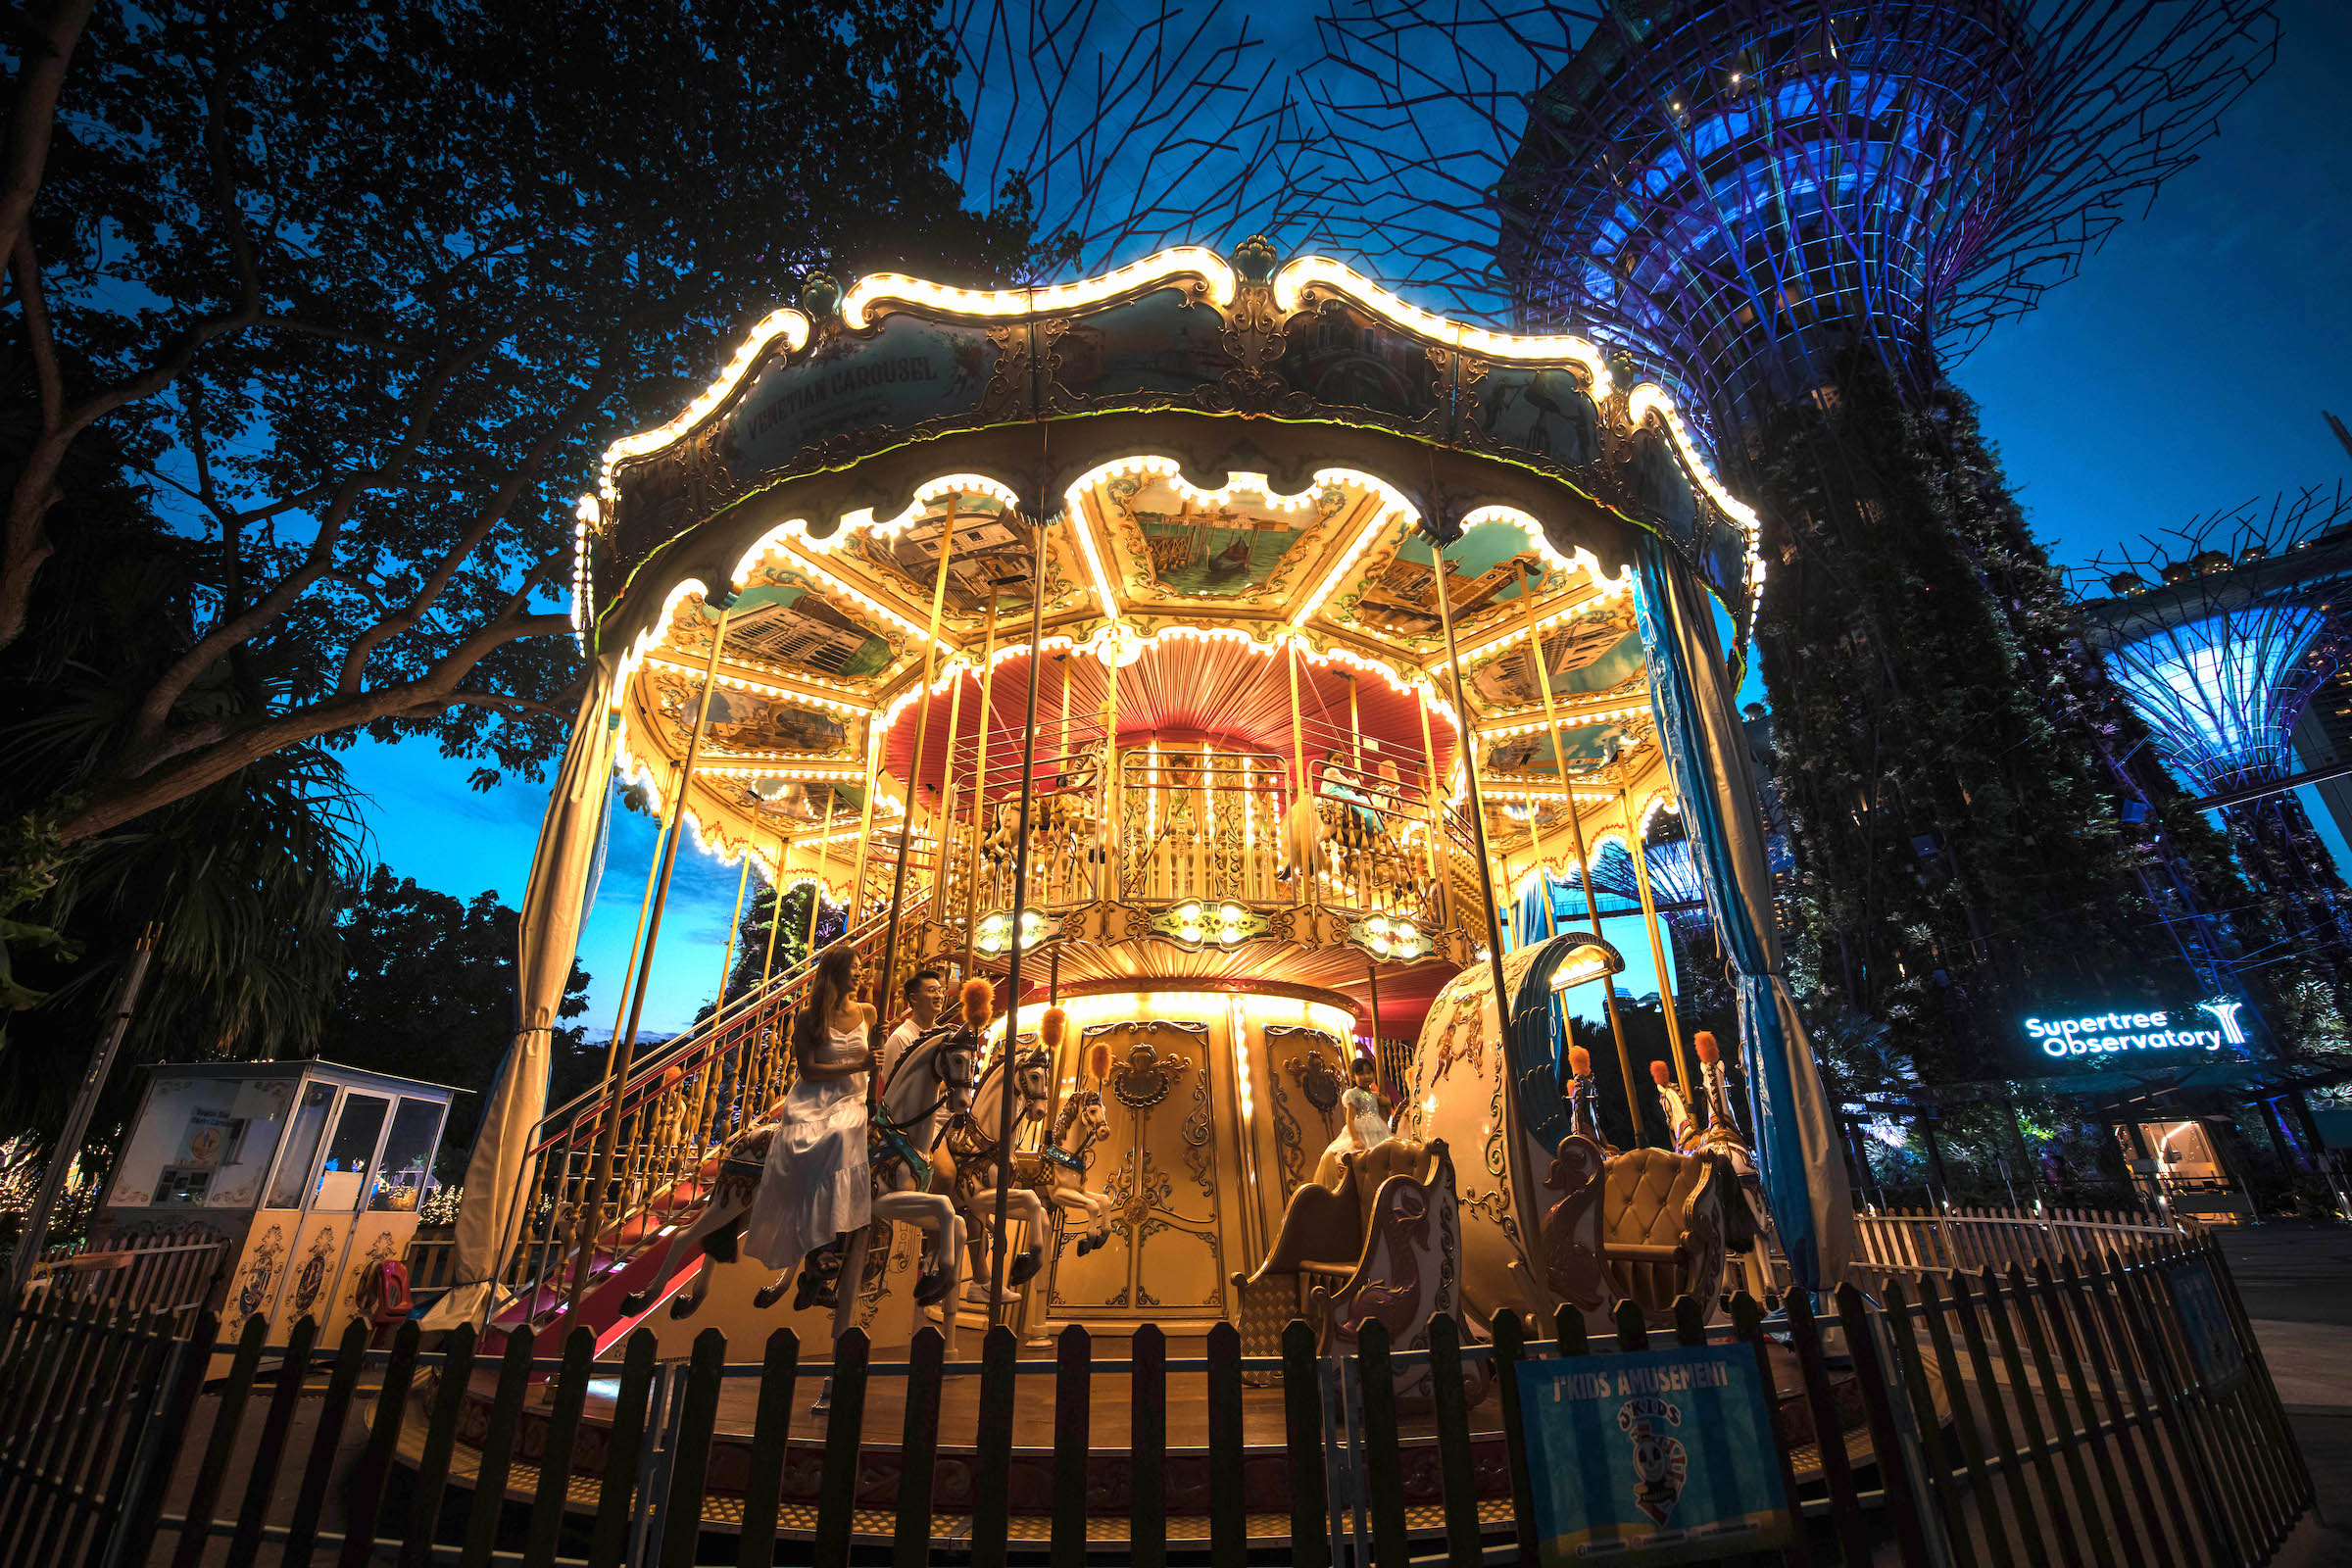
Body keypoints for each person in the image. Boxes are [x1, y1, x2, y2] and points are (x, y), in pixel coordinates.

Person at [743, 944, 876, 1295]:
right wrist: (858, 1065)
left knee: (844, 1133)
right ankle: (820, 1247)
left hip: (851, 1097)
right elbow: (809, 1071)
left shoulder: (868, 1012)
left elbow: (874, 1062)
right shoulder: (810, 1018)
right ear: (834, 973)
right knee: (820, 1139)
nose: (859, 973)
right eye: (852, 968)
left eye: (860, 968)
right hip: (814, 1099)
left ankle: (828, 1244)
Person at [1313, 1053, 1395, 1187]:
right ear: (1353, 1076)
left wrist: (1386, 1101)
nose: (1366, 1077)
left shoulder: (1374, 1095)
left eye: (1369, 1073)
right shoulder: (1353, 1094)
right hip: (1361, 1127)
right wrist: (1355, 1138)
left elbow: (1385, 1110)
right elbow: (1350, 1118)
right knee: (1360, 1154)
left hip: (1377, 1126)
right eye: (1361, 1074)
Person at [880, 969, 944, 1084]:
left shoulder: (943, 1035)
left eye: (940, 991)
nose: (939, 996)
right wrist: (945, 1086)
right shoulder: (900, 1038)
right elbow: (894, 1087)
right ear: (914, 998)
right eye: (932, 991)